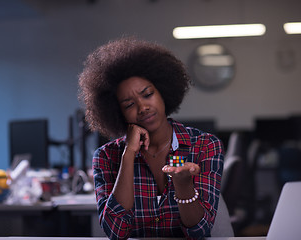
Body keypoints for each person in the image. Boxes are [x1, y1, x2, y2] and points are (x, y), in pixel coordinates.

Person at [78, 37, 224, 240]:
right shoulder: (106, 156)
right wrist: (128, 154)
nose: (142, 107)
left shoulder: (204, 146)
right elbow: (116, 232)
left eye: (147, 94)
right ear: (117, 112)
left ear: (163, 92)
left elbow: (199, 232)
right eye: (129, 104)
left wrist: (183, 186)